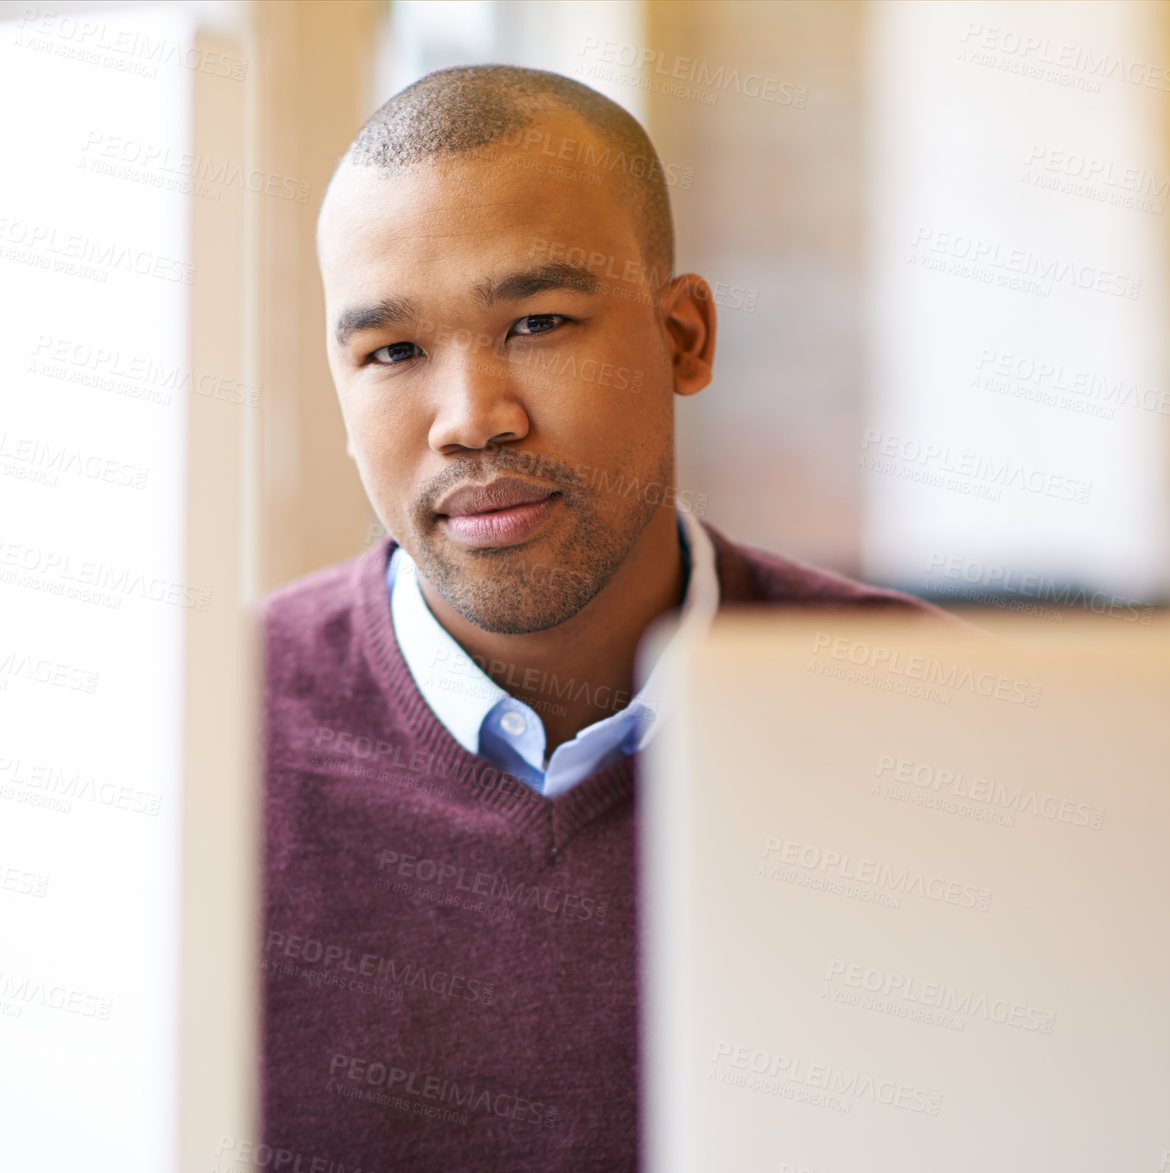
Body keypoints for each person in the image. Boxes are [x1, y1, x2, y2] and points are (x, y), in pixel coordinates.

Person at [259, 64, 948, 1171]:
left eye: (536, 322)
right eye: (392, 353)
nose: (471, 421)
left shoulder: (939, 724)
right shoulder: (199, 741)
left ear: (684, 340)